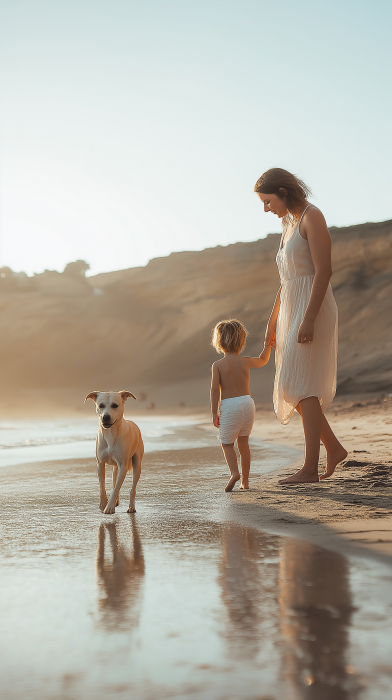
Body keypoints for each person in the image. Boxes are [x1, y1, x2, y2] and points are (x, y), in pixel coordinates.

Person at [254, 168, 347, 484]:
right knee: (293, 385)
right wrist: (273, 319)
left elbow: (324, 272)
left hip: (313, 307)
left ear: (282, 192)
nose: (267, 209)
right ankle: (332, 449)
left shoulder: (312, 216)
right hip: (291, 308)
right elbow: (286, 280)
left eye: (268, 201)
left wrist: (308, 319)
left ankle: (310, 468)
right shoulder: (287, 223)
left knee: (302, 385)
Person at [210, 319, 271, 492]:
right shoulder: (245, 361)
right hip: (248, 403)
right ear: (242, 341)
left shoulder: (218, 365)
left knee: (227, 443)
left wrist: (214, 413)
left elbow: (214, 390)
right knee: (243, 443)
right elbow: (263, 360)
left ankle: (234, 473)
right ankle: (245, 482)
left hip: (230, 406)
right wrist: (268, 345)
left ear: (219, 342)